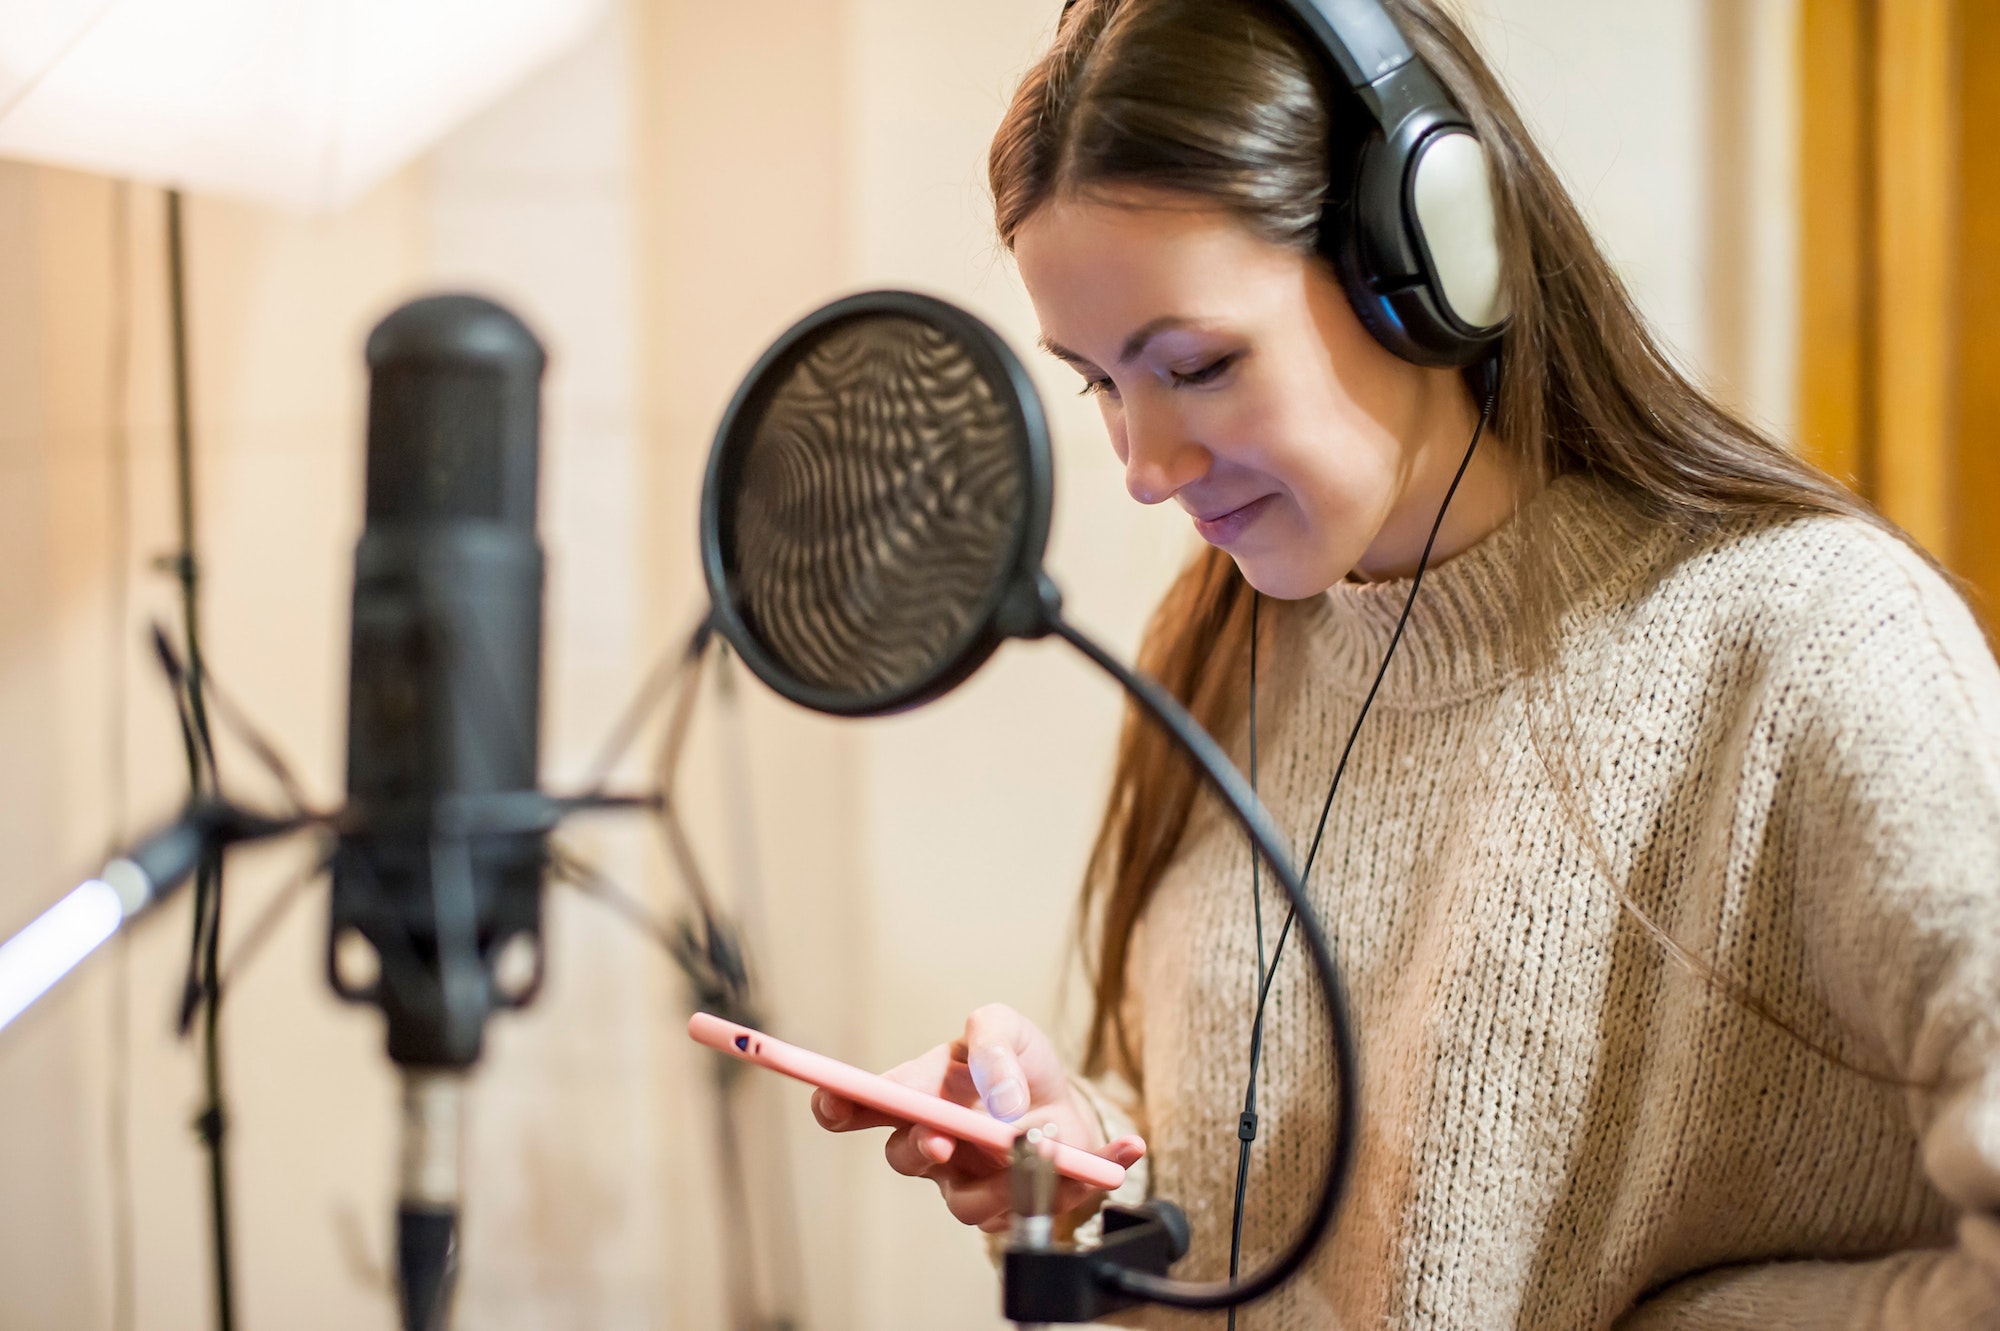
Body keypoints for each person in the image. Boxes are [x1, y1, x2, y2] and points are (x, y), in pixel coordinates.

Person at [810, 0, 2000, 1325]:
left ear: (1427, 261)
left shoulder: (1810, 646)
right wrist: (1087, 1147)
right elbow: (1295, 1189)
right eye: (1098, 381)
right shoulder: (1221, 654)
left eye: (1198, 364)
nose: (1144, 470)